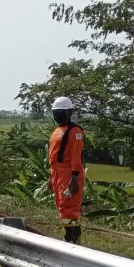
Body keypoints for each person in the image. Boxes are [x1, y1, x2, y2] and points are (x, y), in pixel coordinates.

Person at [48, 96, 85, 244]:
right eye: (55, 112)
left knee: (68, 207)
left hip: (70, 174)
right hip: (57, 173)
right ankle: (67, 238)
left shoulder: (75, 131)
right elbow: (53, 156)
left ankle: (73, 241)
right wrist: (51, 177)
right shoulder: (57, 130)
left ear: (70, 112)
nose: (57, 115)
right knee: (61, 206)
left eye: (61, 112)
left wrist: (74, 178)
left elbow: (76, 156)